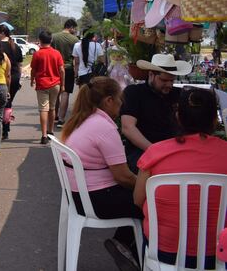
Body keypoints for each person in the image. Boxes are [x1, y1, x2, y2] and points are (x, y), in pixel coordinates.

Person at [133, 88, 227, 269]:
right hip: (218, 253)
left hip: (163, 252)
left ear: (178, 117)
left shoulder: (156, 153)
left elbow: (138, 199)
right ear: (215, 120)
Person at [61, 77, 142, 271]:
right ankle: (140, 256)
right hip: (96, 199)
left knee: (142, 196)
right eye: (119, 100)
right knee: (152, 204)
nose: (122, 104)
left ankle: (123, 244)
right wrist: (147, 188)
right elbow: (123, 176)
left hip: (78, 196)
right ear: (108, 101)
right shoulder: (104, 127)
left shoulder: (83, 120)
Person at [120, 53, 191, 173]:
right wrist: (155, 150)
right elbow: (127, 128)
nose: (169, 84)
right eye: (164, 80)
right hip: (142, 152)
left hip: (174, 152)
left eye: (172, 80)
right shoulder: (134, 93)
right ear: (151, 75)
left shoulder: (179, 94)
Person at [30, 30, 65, 144]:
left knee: (43, 108)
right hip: (55, 84)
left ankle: (44, 135)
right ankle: (51, 131)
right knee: (52, 108)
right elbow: (61, 70)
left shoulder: (37, 54)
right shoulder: (57, 53)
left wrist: (32, 80)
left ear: (40, 40)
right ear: (51, 40)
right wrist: (63, 84)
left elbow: (33, 70)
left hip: (42, 84)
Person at [0, 25, 22, 140]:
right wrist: (19, 79)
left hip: (2, 77)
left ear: (2, 33)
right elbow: (20, 65)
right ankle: (6, 128)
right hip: (15, 77)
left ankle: (2, 129)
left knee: (2, 103)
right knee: (8, 102)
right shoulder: (15, 46)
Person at [51, 19, 79, 126]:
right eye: (74, 28)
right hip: (68, 69)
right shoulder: (75, 39)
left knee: (55, 93)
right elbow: (76, 57)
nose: (75, 30)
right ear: (71, 27)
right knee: (65, 93)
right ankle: (61, 119)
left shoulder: (54, 37)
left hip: (55, 68)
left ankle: (54, 116)